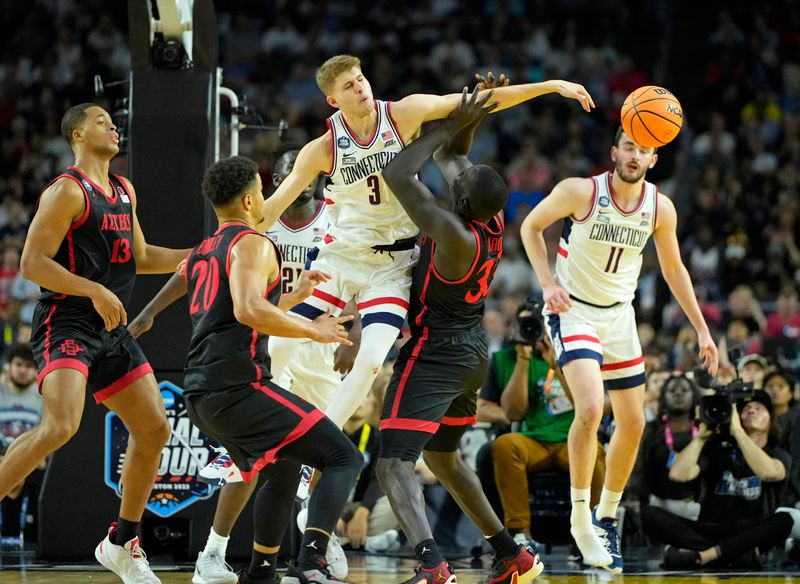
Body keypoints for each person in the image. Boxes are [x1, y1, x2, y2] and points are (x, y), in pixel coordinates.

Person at [266, 56, 594, 437]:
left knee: (372, 360)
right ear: (334, 101)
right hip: (342, 253)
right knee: (282, 338)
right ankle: (250, 429)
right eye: (349, 87)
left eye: (361, 79)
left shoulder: (404, 113)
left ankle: (315, 445)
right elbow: (273, 206)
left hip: (394, 261)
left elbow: (476, 102)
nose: (361, 89)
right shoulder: (321, 149)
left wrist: (551, 85)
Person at [0, 103, 189, 583]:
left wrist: (199, 254)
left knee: (154, 429)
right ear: (78, 135)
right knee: (61, 425)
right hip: (66, 322)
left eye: (113, 120)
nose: (113, 125)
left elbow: (142, 256)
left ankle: (122, 542)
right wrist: (93, 288)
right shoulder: (67, 191)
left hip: (111, 327)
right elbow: (32, 263)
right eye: (101, 120)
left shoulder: (124, 189)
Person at [520, 126, 719, 572]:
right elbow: (531, 227)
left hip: (620, 315)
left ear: (653, 160)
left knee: (634, 421)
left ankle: (605, 518)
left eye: (643, 150)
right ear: (615, 152)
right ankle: (578, 517)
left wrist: (703, 330)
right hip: (573, 309)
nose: (634, 155)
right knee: (591, 408)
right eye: (628, 146)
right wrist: (547, 283)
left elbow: (674, 269)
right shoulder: (580, 192)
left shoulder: (659, 208)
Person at [374, 87, 541, 584]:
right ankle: (512, 553)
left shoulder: (453, 233)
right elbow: (454, 156)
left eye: (459, 184)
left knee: (392, 463)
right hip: (471, 352)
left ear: (463, 199)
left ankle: (431, 564)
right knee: (442, 456)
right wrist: (469, 118)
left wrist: (446, 126)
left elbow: (398, 173)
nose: (456, 177)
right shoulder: (487, 217)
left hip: (435, 352)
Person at [179, 155, 363, 584]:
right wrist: (312, 328)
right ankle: (315, 556)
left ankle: (262, 570)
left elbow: (230, 312)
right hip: (238, 387)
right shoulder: (253, 242)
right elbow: (247, 309)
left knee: (282, 465)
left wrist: (294, 298)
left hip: (201, 389)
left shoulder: (205, 249)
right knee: (342, 456)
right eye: (262, 191)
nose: (267, 198)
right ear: (248, 200)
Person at [644, 390, 793, 569]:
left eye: (759, 408)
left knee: (784, 520)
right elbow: (678, 474)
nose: (752, 411)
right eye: (746, 409)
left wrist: (739, 433)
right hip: (709, 528)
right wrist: (700, 438)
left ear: (771, 420)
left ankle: (701, 556)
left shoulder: (777, 453)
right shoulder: (716, 450)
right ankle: (733, 557)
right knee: (650, 514)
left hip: (750, 530)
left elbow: (768, 473)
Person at [490, 328, 605, 549]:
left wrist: (557, 364)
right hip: (535, 441)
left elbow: (586, 404)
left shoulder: (579, 358)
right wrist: (523, 361)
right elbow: (513, 412)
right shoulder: (518, 359)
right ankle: (520, 533)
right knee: (505, 445)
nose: (538, 334)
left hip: (572, 442)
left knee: (596, 450)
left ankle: (595, 531)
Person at [632, 374, 701, 524]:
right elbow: (638, 470)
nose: (678, 393)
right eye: (672, 390)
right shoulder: (651, 430)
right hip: (658, 507)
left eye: (684, 390)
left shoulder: (704, 430)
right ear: (663, 397)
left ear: (694, 395)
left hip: (700, 508)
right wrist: (636, 499)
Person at [0, 343, 40, 550]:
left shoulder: (42, 397)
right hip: (1, 457)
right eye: (18, 364)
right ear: (9, 366)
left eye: (28, 366)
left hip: (31, 461)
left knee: (37, 474)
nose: (23, 370)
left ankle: (33, 541)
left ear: (35, 370)